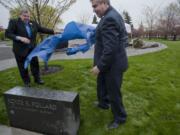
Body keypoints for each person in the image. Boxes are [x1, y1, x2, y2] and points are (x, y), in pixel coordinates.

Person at [90, 0, 128, 129]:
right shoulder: (109, 15)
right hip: (111, 61)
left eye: (95, 6)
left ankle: (120, 117)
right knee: (101, 84)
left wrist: (99, 66)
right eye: (92, 6)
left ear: (104, 3)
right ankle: (103, 103)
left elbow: (110, 49)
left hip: (113, 64)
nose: (93, 9)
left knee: (113, 92)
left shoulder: (109, 19)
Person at [5, 9, 56, 87]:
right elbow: (8, 34)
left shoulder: (33, 23)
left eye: (28, 16)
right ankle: (27, 82)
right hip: (20, 50)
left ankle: (37, 79)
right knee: (23, 67)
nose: (27, 18)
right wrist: (20, 38)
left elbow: (42, 29)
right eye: (24, 16)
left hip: (32, 49)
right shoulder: (14, 22)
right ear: (20, 15)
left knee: (35, 64)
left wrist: (53, 31)